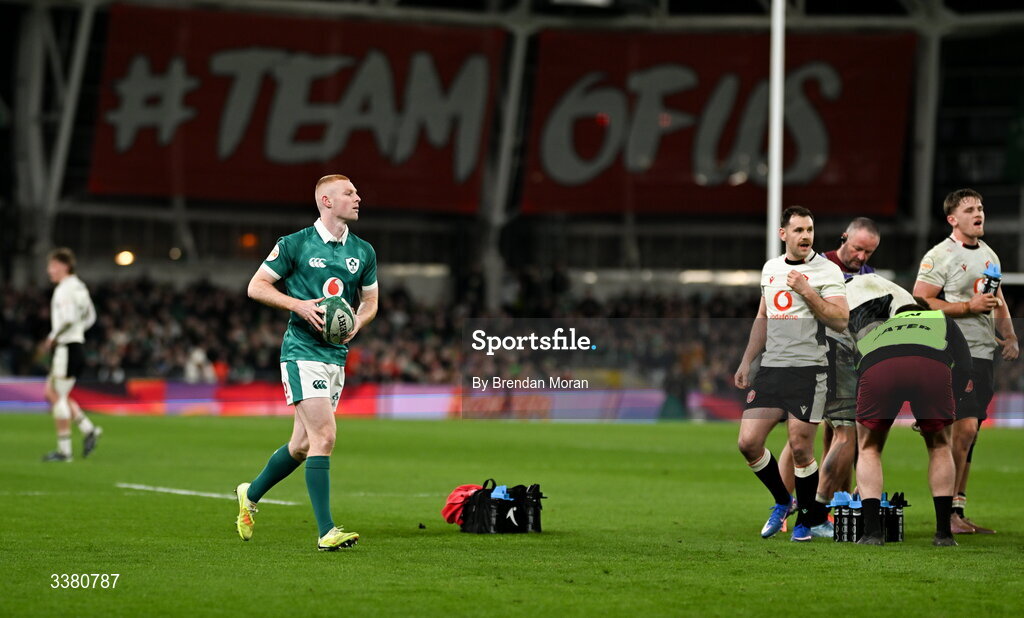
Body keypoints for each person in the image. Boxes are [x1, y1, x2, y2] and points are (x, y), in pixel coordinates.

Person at [234, 174, 379, 551]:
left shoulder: (363, 251)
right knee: (325, 437)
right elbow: (256, 286)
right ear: (327, 201)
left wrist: (357, 323)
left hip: (336, 356)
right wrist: (297, 304)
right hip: (301, 353)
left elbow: (371, 303)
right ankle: (326, 531)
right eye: (350, 192)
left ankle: (250, 494)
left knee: (300, 446)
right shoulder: (294, 244)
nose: (358, 197)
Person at [735, 206, 849, 541]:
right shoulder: (770, 268)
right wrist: (747, 361)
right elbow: (763, 316)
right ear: (783, 234)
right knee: (748, 443)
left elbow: (840, 320)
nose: (805, 236)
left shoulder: (827, 271)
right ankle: (784, 501)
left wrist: (807, 291)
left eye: (810, 230)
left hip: (809, 370)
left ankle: (806, 522)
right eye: (798, 230)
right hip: (772, 368)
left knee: (800, 448)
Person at [912, 188, 1019, 535]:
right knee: (966, 428)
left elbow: (997, 298)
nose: (979, 213)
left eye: (981, 208)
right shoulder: (939, 256)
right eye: (971, 209)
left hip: (983, 353)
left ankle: (957, 509)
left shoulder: (990, 256)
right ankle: (950, 515)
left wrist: (1010, 334)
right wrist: (965, 308)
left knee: (967, 437)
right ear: (952, 219)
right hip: (953, 352)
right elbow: (921, 301)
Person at [779, 217, 882, 514]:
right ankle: (787, 504)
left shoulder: (869, 275)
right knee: (804, 435)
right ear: (844, 237)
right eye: (858, 248)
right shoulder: (818, 265)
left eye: (869, 252)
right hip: (813, 357)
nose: (861, 257)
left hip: (847, 363)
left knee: (835, 432)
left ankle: (830, 504)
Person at [853, 303, 972, 546]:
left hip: (878, 366)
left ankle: (872, 534)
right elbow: (965, 365)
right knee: (940, 446)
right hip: (931, 366)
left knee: (868, 448)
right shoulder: (940, 318)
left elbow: (859, 367)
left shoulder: (880, 328)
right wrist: (951, 404)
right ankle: (943, 535)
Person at [41, 248, 100, 462]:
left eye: (52, 266)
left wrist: (53, 336)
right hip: (75, 345)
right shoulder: (80, 287)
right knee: (53, 393)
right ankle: (88, 429)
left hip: (66, 347)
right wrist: (78, 332)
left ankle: (65, 451)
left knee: (58, 397)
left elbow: (67, 317)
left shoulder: (64, 289)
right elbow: (91, 316)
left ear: (64, 266)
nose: (49, 270)